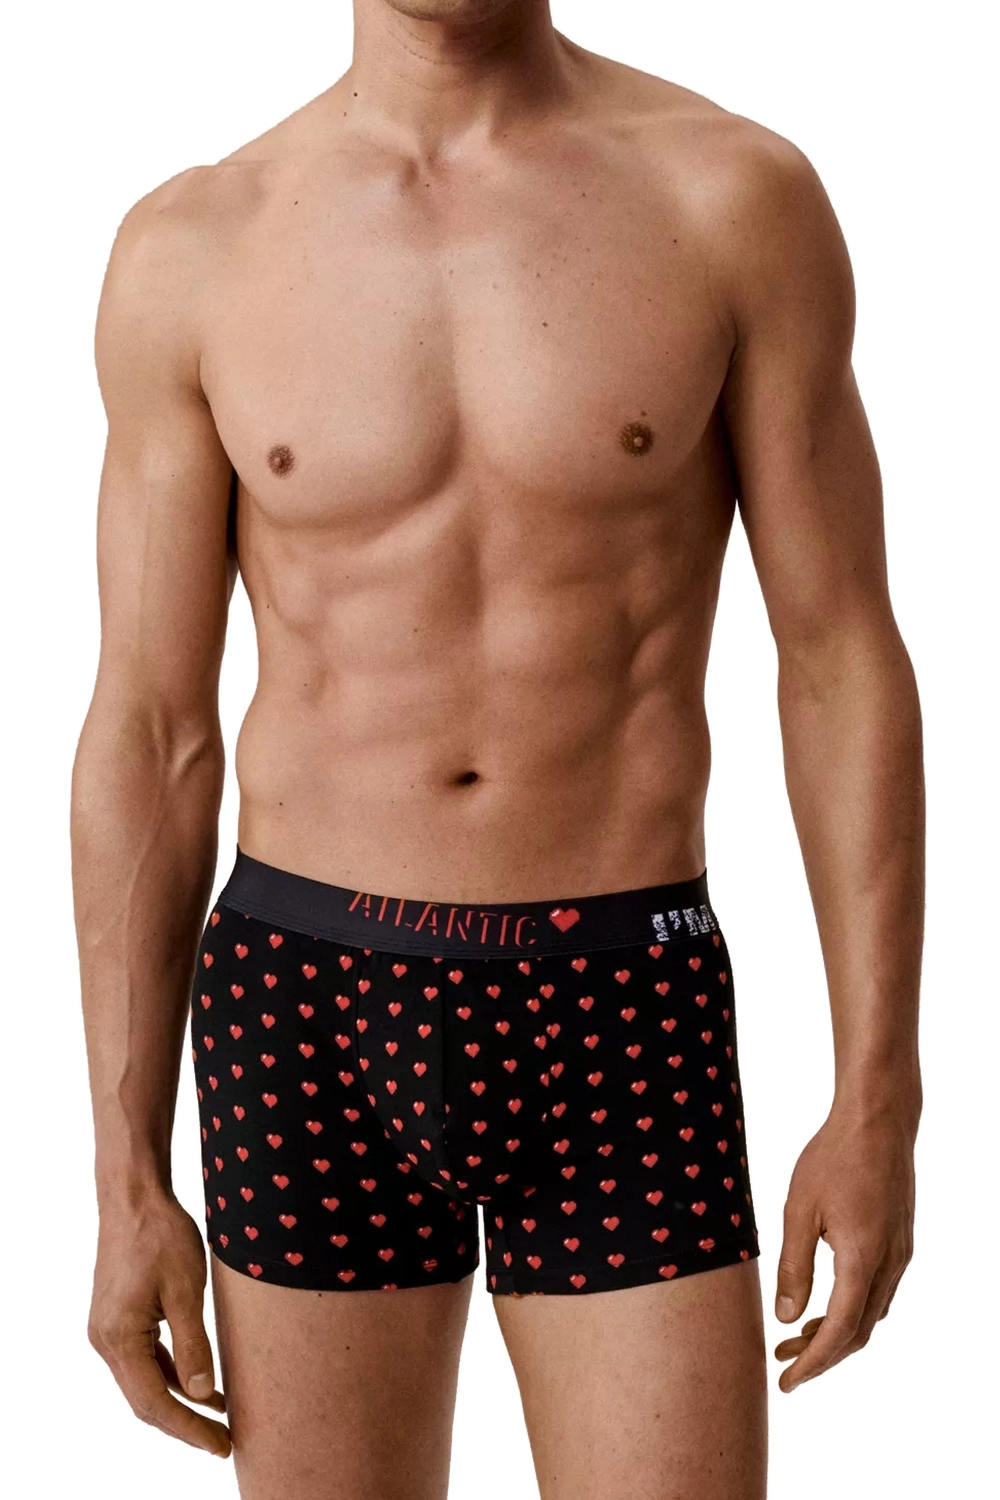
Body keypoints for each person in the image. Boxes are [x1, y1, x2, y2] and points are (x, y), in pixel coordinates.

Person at [70, 2, 924, 1496]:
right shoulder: (193, 248)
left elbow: (840, 659)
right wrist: (123, 1173)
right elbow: (152, 728)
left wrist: (879, 1096)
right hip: (307, 1008)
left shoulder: (731, 197)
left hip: (622, 992)